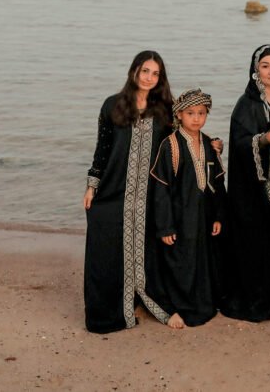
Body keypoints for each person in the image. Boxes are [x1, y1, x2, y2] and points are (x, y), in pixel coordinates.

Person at [83, 50, 175, 333]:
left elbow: (182, 140)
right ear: (134, 71)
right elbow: (103, 149)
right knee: (107, 249)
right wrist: (91, 186)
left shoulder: (165, 109)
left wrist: (213, 144)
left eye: (155, 73)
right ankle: (108, 312)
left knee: (146, 250)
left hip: (149, 197)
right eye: (145, 70)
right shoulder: (112, 106)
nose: (149, 77)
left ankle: (141, 299)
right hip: (114, 191)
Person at [219, 45, 270, 323]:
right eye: (265, 65)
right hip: (260, 187)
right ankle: (261, 299)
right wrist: (265, 139)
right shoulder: (248, 104)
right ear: (256, 71)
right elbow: (240, 144)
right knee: (261, 241)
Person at [149, 89, 226, 328]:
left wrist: (218, 216)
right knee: (180, 261)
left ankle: (203, 303)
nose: (196, 118)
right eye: (190, 113)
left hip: (203, 216)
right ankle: (178, 307)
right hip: (179, 217)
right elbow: (160, 190)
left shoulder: (209, 143)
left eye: (201, 113)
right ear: (179, 115)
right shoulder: (170, 145)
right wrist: (165, 226)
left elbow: (218, 184)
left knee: (202, 260)